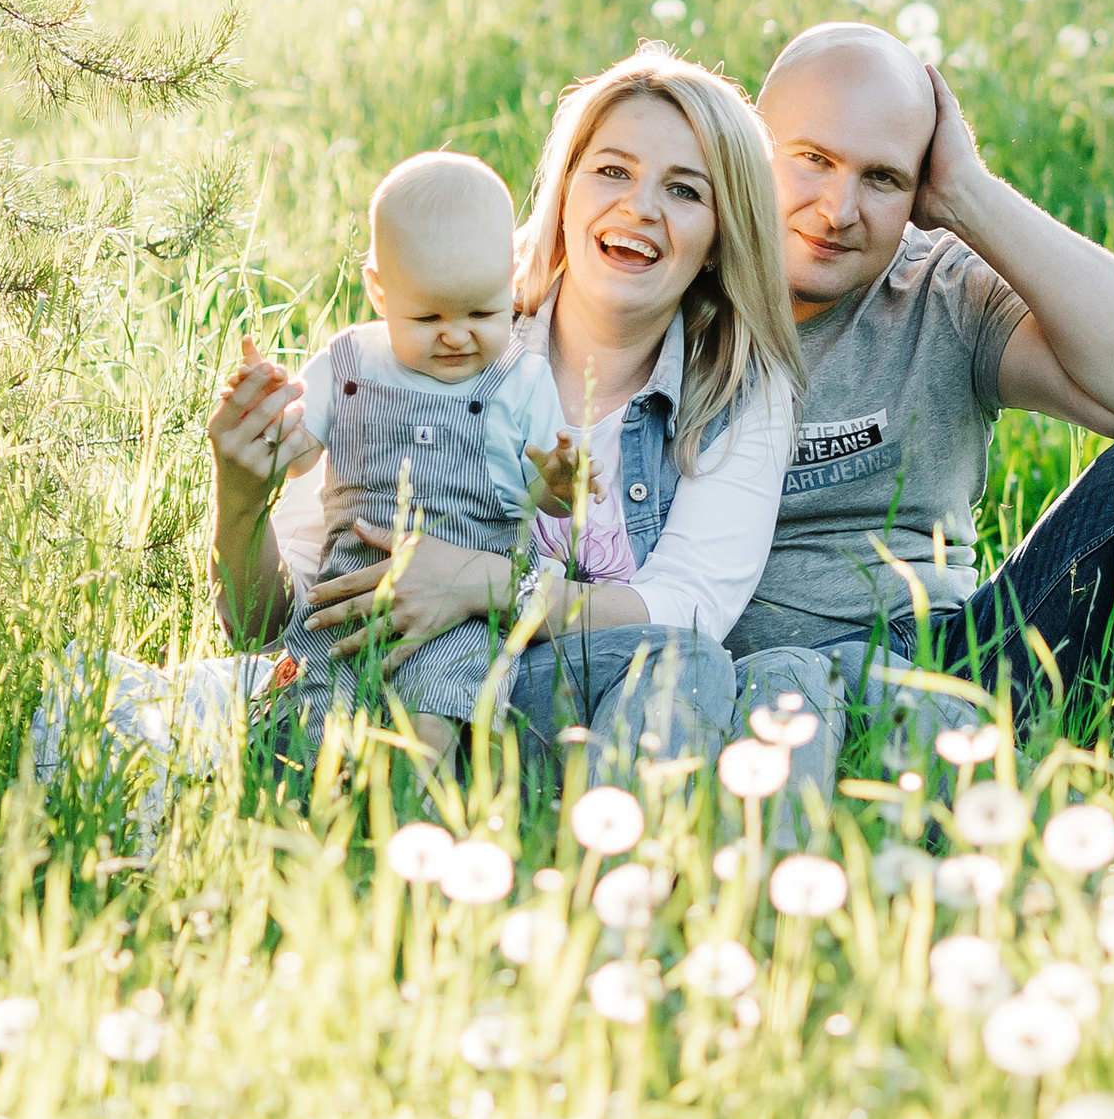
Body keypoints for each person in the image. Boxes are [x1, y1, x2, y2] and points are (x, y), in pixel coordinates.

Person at [730, 21, 1114, 786]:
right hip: (744, 687)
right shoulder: (669, 284)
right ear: (749, 147)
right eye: (812, 159)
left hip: (951, 668)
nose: (838, 209)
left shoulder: (939, 289)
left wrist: (969, 196)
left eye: (882, 178)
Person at [207, 50, 807, 785]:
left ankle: (606, 849)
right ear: (566, 193)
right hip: (374, 677)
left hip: (557, 703)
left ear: (721, 236)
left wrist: (481, 582)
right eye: (612, 171)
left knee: (685, 662)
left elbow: (687, 608)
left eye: (684, 190)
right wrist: (242, 499)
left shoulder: (737, 391)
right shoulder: (442, 333)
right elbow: (268, 626)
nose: (639, 207)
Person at [210, 146, 574, 752]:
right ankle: (325, 796)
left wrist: (560, 485)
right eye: (427, 318)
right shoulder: (350, 362)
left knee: (433, 716)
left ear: (511, 275)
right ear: (379, 292)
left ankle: (417, 802)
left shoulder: (522, 378)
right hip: (348, 591)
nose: (456, 334)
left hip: (463, 608)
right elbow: (298, 460)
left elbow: (549, 503)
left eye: (483, 311)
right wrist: (269, 418)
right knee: (315, 718)